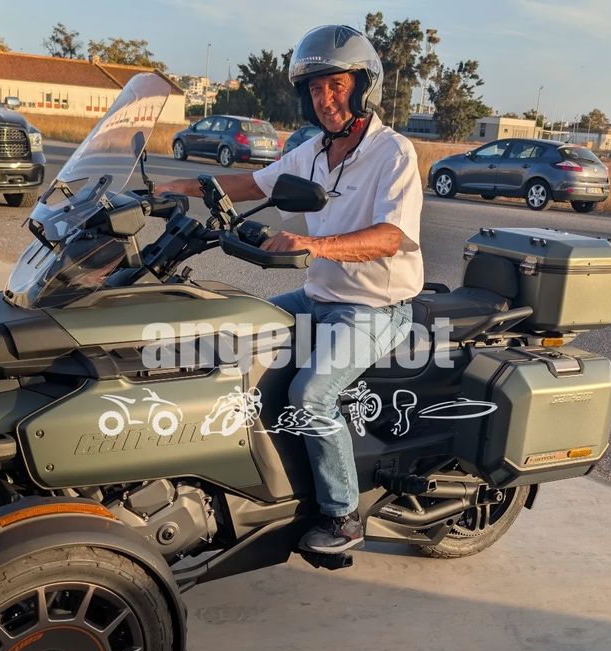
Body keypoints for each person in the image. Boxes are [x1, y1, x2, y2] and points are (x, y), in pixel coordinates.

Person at [153, 24, 423, 554]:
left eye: (336, 85)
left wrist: (311, 243)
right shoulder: (313, 152)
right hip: (318, 298)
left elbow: (391, 237)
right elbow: (253, 184)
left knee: (311, 396)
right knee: (231, 337)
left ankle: (343, 517)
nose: (325, 99)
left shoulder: (393, 153)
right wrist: (174, 186)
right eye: (316, 89)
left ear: (364, 86)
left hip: (373, 309)